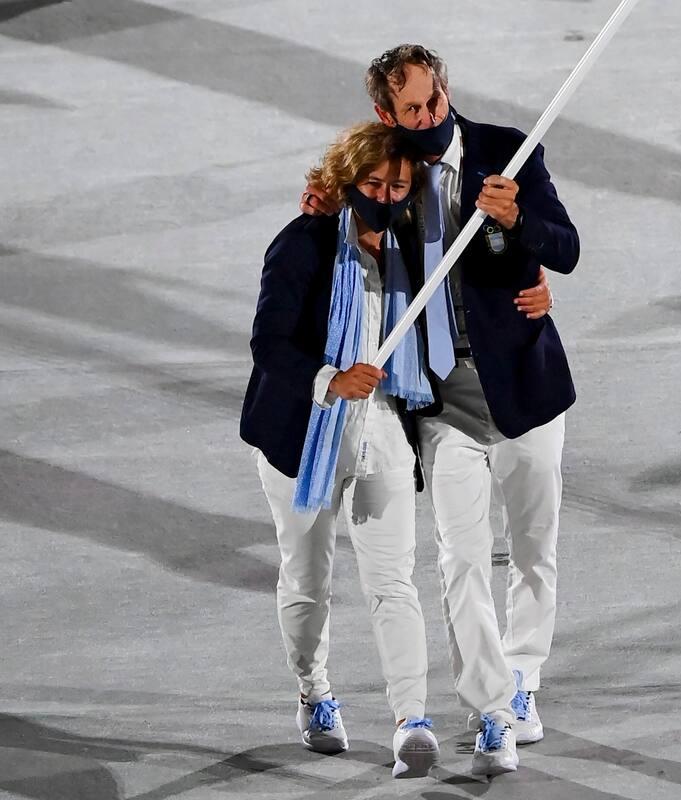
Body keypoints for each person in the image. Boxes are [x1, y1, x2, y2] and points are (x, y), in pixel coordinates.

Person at [301, 44, 579, 776]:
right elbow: (343, 236)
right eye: (411, 110)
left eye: (433, 102)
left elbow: (567, 246)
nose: (427, 118)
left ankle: (524, 678)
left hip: (525, 385)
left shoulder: (509, 152)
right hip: (441, 396)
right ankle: (493, 712)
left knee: (530, 549)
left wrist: (520, 223)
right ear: (384, 113)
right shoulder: (391, 176)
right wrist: (319, 211)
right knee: (460, 557)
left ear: (445, 89)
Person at [242, 121, 548, 777]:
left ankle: (413, 721)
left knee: (393, 582)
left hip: (382, 424)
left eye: (397, 184)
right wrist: (331, 379)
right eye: (372, 183)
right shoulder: (305, 244)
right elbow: (268, 345)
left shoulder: (415, 246)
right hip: (302, 433)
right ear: (347, 181)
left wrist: (539, 278)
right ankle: (314, 692)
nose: (384, 192)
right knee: (308, 585)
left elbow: (487, 269)